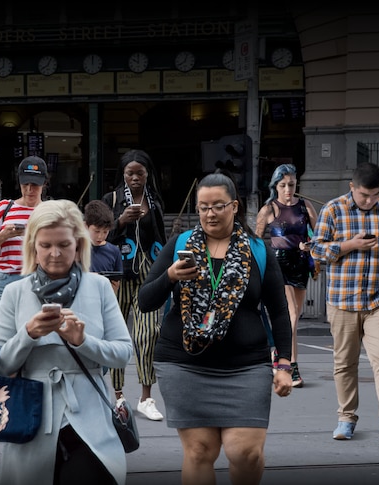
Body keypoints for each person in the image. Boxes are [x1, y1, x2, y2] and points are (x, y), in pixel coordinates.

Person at [138, 173, 293, 485]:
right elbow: (145, 301)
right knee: (198, 451)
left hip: (246, 366)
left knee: (245, 453)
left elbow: (278, 310)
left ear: (234, 206)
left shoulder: (257, 251)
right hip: (185, 364)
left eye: (218, 206)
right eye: (203, 207)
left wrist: (285, 363)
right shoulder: (179, 245)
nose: (210, 213)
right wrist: (170, 276)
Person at [0, 199, 133, 485]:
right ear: (33, 247)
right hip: (31, 418)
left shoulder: (100, 286)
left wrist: (83, 341)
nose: (55, 254)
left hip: (90, 420)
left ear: (78, 245)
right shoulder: (15, 292)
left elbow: (123, 353)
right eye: (45, 245)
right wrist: (27, 335)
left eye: (64, 245)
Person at [309, 162, 379, 445]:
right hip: (342, 300)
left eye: (375, 195)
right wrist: (349, 245)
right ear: (352, 188)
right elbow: (316, 250)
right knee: (344, 363)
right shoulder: (332, 210)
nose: (370, 201)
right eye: (364, 195)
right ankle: (346, 417)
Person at [101, 149, 167, 421]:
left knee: (148, 333)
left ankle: (146, 397)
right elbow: (98, 234)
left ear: (148, 174)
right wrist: (121, 221)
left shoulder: (155, 201)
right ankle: (118, 396)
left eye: (140, 173)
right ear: (123, 174)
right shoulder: (112, 199)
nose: (135, 178)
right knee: (118, 336)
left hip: (148, 273)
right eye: (130, 173)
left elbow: (160, 238)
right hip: (118, 273)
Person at [254, 163, 318, 387]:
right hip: (278, 263)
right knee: (290, 314)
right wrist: (261, 264)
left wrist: (310, 245)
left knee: (295, 315)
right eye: (283, 185)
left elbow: (318, 236)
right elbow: (255, 240)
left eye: (292, 184)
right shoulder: (269, 209)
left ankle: (277, 356)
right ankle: (289, 364)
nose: (288, 189)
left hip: (300, 263)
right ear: (276, 185)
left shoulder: (305, 206)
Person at [0, 156, 48, 327]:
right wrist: (4, 235)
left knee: (29, 339)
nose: (29, 190)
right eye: (25, 185)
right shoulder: (4, 207)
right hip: (4, 279)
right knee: (0, 341)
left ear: (44, 184)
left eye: (35, 185)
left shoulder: (49, 211)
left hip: (35, 279)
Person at [83, 200, 122, 294]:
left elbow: (117, 280)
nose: (100, 236)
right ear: (85, 226)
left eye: (105, 232)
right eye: (96, 231)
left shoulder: (114, 251)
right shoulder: (76, 249)